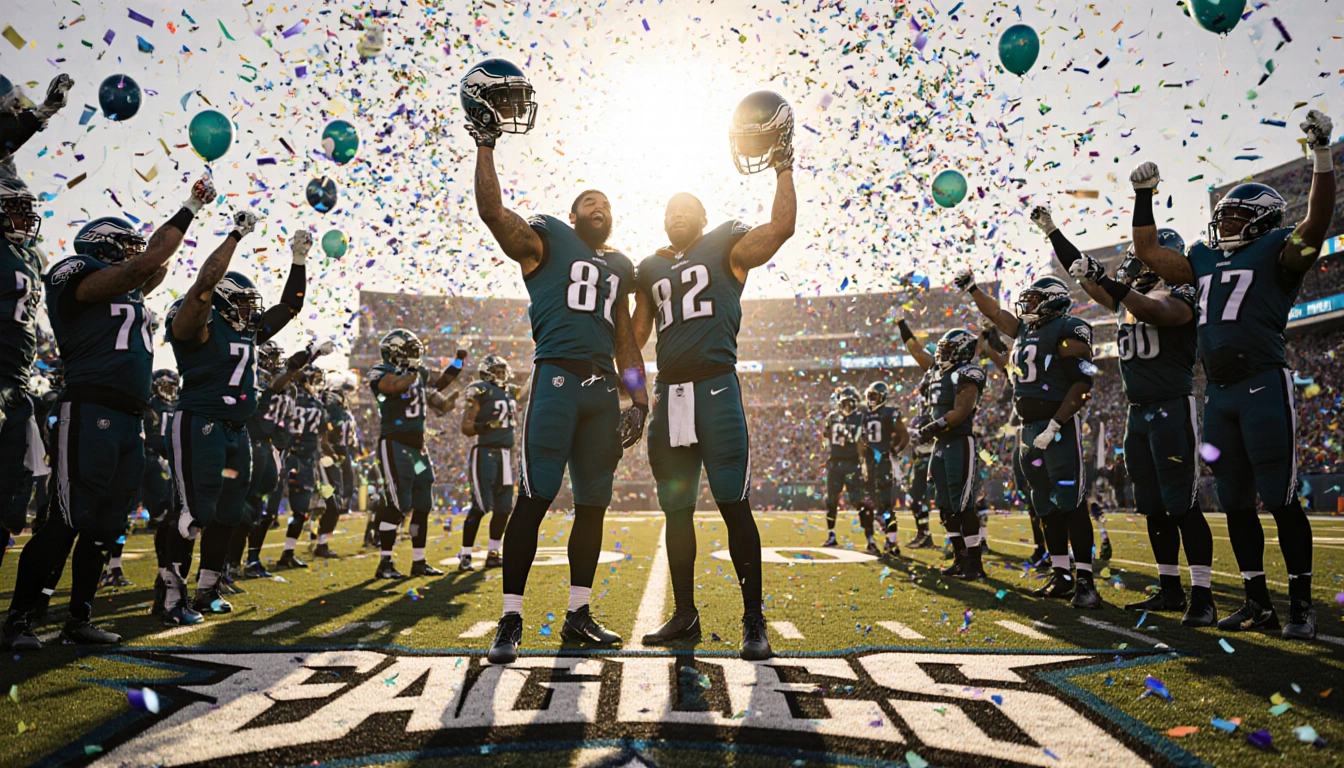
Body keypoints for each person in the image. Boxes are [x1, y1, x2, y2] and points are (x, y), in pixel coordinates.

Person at [466, 58, 650, 664]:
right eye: (588, 201)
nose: (599, 206)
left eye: (605, 202)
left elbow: (625, 338)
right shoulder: (547, 237)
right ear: (572, 216)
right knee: (536, 498)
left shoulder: (619, 266)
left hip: (602, 393)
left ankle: (578, 614)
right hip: (555, 380)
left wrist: (639, 396)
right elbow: (495, 216)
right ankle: (510, 618)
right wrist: (486, 145)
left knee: (592, 505)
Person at [1127, 110, 1335, 640]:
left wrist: (1321, 154)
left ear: (1263, 220)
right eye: (1225, 216)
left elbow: (1317, 222)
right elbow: (1149, 252)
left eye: (1238, 216)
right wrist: (1145, 195)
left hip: (1265, 383)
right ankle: (1257, 601)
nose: (1226, 224)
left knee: (1281, 497)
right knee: (1234, 500)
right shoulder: (1200, 257)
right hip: (1217, 392)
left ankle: (1302, 607)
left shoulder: (1280, 250)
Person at [1, 175, 212, 650]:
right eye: (125, 246)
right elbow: (147, 263)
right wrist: (185, 213)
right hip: (89, 408)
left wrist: (190, 219)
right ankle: (20, 619)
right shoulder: (74, 270)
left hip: (129, 419)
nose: (133, 253)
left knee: (105, 526)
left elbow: (153, 263)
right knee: (65, 519)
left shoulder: (133, 290)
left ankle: (79, 619)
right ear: (103, 246)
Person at [630, 100, 797, 658]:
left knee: (733, 503)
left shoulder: (727, 243)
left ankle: (754, 619)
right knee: (676, 510)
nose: (677, 215)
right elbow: (632, 335)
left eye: (688, 209)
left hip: (717, 389)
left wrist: (782, 167)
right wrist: (631, 394)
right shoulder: (649, 267)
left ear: (704, 218)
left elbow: (781, 228)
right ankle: (685, 615)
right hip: (670, 394)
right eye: (670, 210)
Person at [1034, 204, 1216, 626]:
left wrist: (1110, 283)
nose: (1134, 270)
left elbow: (1158, 312)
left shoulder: (1182, 291)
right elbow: (1085, 277)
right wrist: (1054, 233)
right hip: (1139, 414)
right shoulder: (1126, 300)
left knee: (1183, 504)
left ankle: (1203, 596)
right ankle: (1170, 588)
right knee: (1152, 506)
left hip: (1173, 406)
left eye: (1140, 263)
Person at [157, 220, 308, 623]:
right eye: (240, 302)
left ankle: (207, 589)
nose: (249, 311)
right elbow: (203, 286)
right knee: (194, 512)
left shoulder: (247, 332)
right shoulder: (199, 325)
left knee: (228, 514)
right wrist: (235, 238)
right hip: (200, 422)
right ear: (220, 302)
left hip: (235, 432)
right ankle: (170, 596)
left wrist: (299, 260)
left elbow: (290, 306)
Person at [959, 271, 1101, 609]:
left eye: (1036, 299)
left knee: (1072, 503)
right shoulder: (1024, 330)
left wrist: (1056, 424)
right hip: (1028, 427)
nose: (1029, 305)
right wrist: (973, 289)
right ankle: (1062, 574)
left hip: (1058, 426)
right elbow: (995, 314)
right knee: (1045, 505)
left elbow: (1083, 383)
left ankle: (1086, 582)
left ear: (1053, 301)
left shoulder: (1069, 327)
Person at [367, 331, 466, 579]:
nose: (415, 354)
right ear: (395, 351)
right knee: (399, 503)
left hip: (418, 448)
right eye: (410, 350)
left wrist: (460, 358)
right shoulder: (380, 371)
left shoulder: (419, 373)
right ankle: (385, 563)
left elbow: (442, 381)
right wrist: (410, 371)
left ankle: (419, 562)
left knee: (423, 503)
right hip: (394, 444)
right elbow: (393, 385)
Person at [907, 328, 989, 580]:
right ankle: (959, 557)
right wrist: (900, 323)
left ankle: (974, 563)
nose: (942, 353)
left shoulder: (968, 373)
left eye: (948, 349)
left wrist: (929, 429)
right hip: (940, 445)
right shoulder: (936, 371)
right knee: (944, 506)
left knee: (963, 505)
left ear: (963, 351)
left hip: (959, 442)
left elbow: (961, 411)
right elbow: (916, 350)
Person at [0, 176, 44, 571]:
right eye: (16, 208)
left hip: (17, 383)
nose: (25, 217)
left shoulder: (29, 256)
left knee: (11, 497)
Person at [240, 341, 310, 577]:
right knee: (245, 509)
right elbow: (269, 391)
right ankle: (228, 564)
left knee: (267, 513)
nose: (275, 362)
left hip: (276, 451)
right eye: (270, 357)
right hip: (254, 444)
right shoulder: (253, 377)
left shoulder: (290, 387)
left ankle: (252, 560)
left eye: (277, 357)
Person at [457, 355, 523, 572]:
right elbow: (466, 428)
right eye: (497, 371)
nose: (502, 375)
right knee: (481, 505)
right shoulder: (480, 390)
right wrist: (486, 425)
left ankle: (493, 553)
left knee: (504, 508)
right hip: (484, 453)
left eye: (504, 371)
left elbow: (527, 389)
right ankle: (465, 555)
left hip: (506, 455)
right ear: (486, 373)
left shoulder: (510, 391)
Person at [859, 381, 908, 559]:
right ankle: (871, 541)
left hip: (884, 462)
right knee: (866, 503)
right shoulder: (863, 413)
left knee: (886, 503)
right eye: (869, 396)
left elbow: (904, 435)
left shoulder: (890, 412)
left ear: (883, 397)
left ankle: (892, 541)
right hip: (868, 463)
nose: (871, 399)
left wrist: (896, 450)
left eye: (875, 396)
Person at [314, 375, 358, 559]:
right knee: (333, 502)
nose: (344, 395)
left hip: (342, 452)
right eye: (342, 391)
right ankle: (319, 542)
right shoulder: (330, 405)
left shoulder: (342, 408)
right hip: (329, 455)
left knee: (339, 501)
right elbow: (326, 431)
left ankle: (321, 541)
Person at [821, 385, 869, 549]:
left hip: (850, 463)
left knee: (857, 501)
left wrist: (863, 462)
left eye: (850, 402)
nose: (847, 406)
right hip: (836, 463)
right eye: (845, 402)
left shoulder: (858, 418)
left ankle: (869, 538)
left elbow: (860, 442)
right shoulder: (834, 417)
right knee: (831, 501)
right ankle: (831, 534)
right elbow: (826, 435)